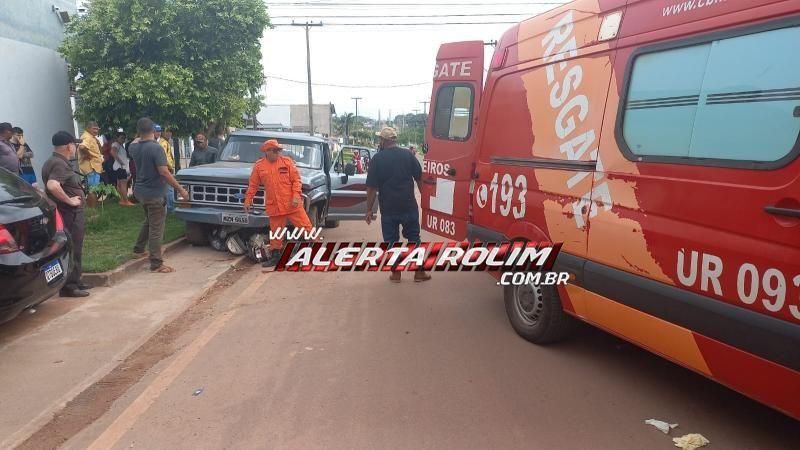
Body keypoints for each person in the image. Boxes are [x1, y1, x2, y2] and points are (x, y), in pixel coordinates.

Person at [365, 127, 431, 283]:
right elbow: (419, 178)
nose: (379, 141)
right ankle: (419, 273)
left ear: (384, 141)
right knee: (414, 239)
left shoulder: (377, 159)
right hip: (408, 205)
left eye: (380, 139)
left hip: (388, 208)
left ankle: (396, 274)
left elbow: (371, 188)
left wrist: (368, 209)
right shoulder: (408, 155)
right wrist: (425, 200)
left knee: (392, 242)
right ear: (394, 140)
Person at [128, 118, 189, 273]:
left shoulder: (133, 147)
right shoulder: (156, 148)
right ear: (154, 131)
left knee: (149, 221)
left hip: (140, 191)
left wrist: (141, 134)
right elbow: (164, 172)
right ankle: (156, 263)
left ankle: (138, 249)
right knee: (157, 228)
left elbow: (136, 140)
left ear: (139, 131)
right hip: (154, 193)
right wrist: (180, 189)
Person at [243, 139, 313, 268]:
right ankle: (276, 257)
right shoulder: (259, 166)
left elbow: (296, 181)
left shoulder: (287, 162)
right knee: (276, 233)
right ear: (267, 151)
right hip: (274, 205)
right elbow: (253, 185)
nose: (277, 153)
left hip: (292, 204)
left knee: (306, 227)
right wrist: (248, 200)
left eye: (278, 150)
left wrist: (296, 196)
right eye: (274, 150)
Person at [41, 131, 92, 298]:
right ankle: (70, 286)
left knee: (74, 247)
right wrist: (70, 201)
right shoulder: (59, 164)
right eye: (74, 145)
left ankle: (75, 280)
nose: (75, 147)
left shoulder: (54, 161)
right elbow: (52, 185)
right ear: (69, 146)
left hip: (68, 213)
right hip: (69, 213)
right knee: (73, 247)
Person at [155, 124, 176, 211]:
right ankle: (170, 208)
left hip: (162, 168)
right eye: (167, 131)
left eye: (170, 132)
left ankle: (164, 207)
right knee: (169, 189)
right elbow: (164, 157)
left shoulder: (163, 142)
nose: (169, 134)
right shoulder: (163, 143)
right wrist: (171, 167)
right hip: (166, 168)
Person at [110, 131, 134, 206]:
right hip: (121, 167)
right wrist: (121, 163)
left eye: (124, 138)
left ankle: (122, 200)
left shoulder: (120, 145)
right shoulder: (116, 144)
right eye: (121, 138)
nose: (123, 139)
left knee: (119, 185)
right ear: (117, 138)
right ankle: (126, 201)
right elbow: (113, 152)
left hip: (119, 167)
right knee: (123, 184)